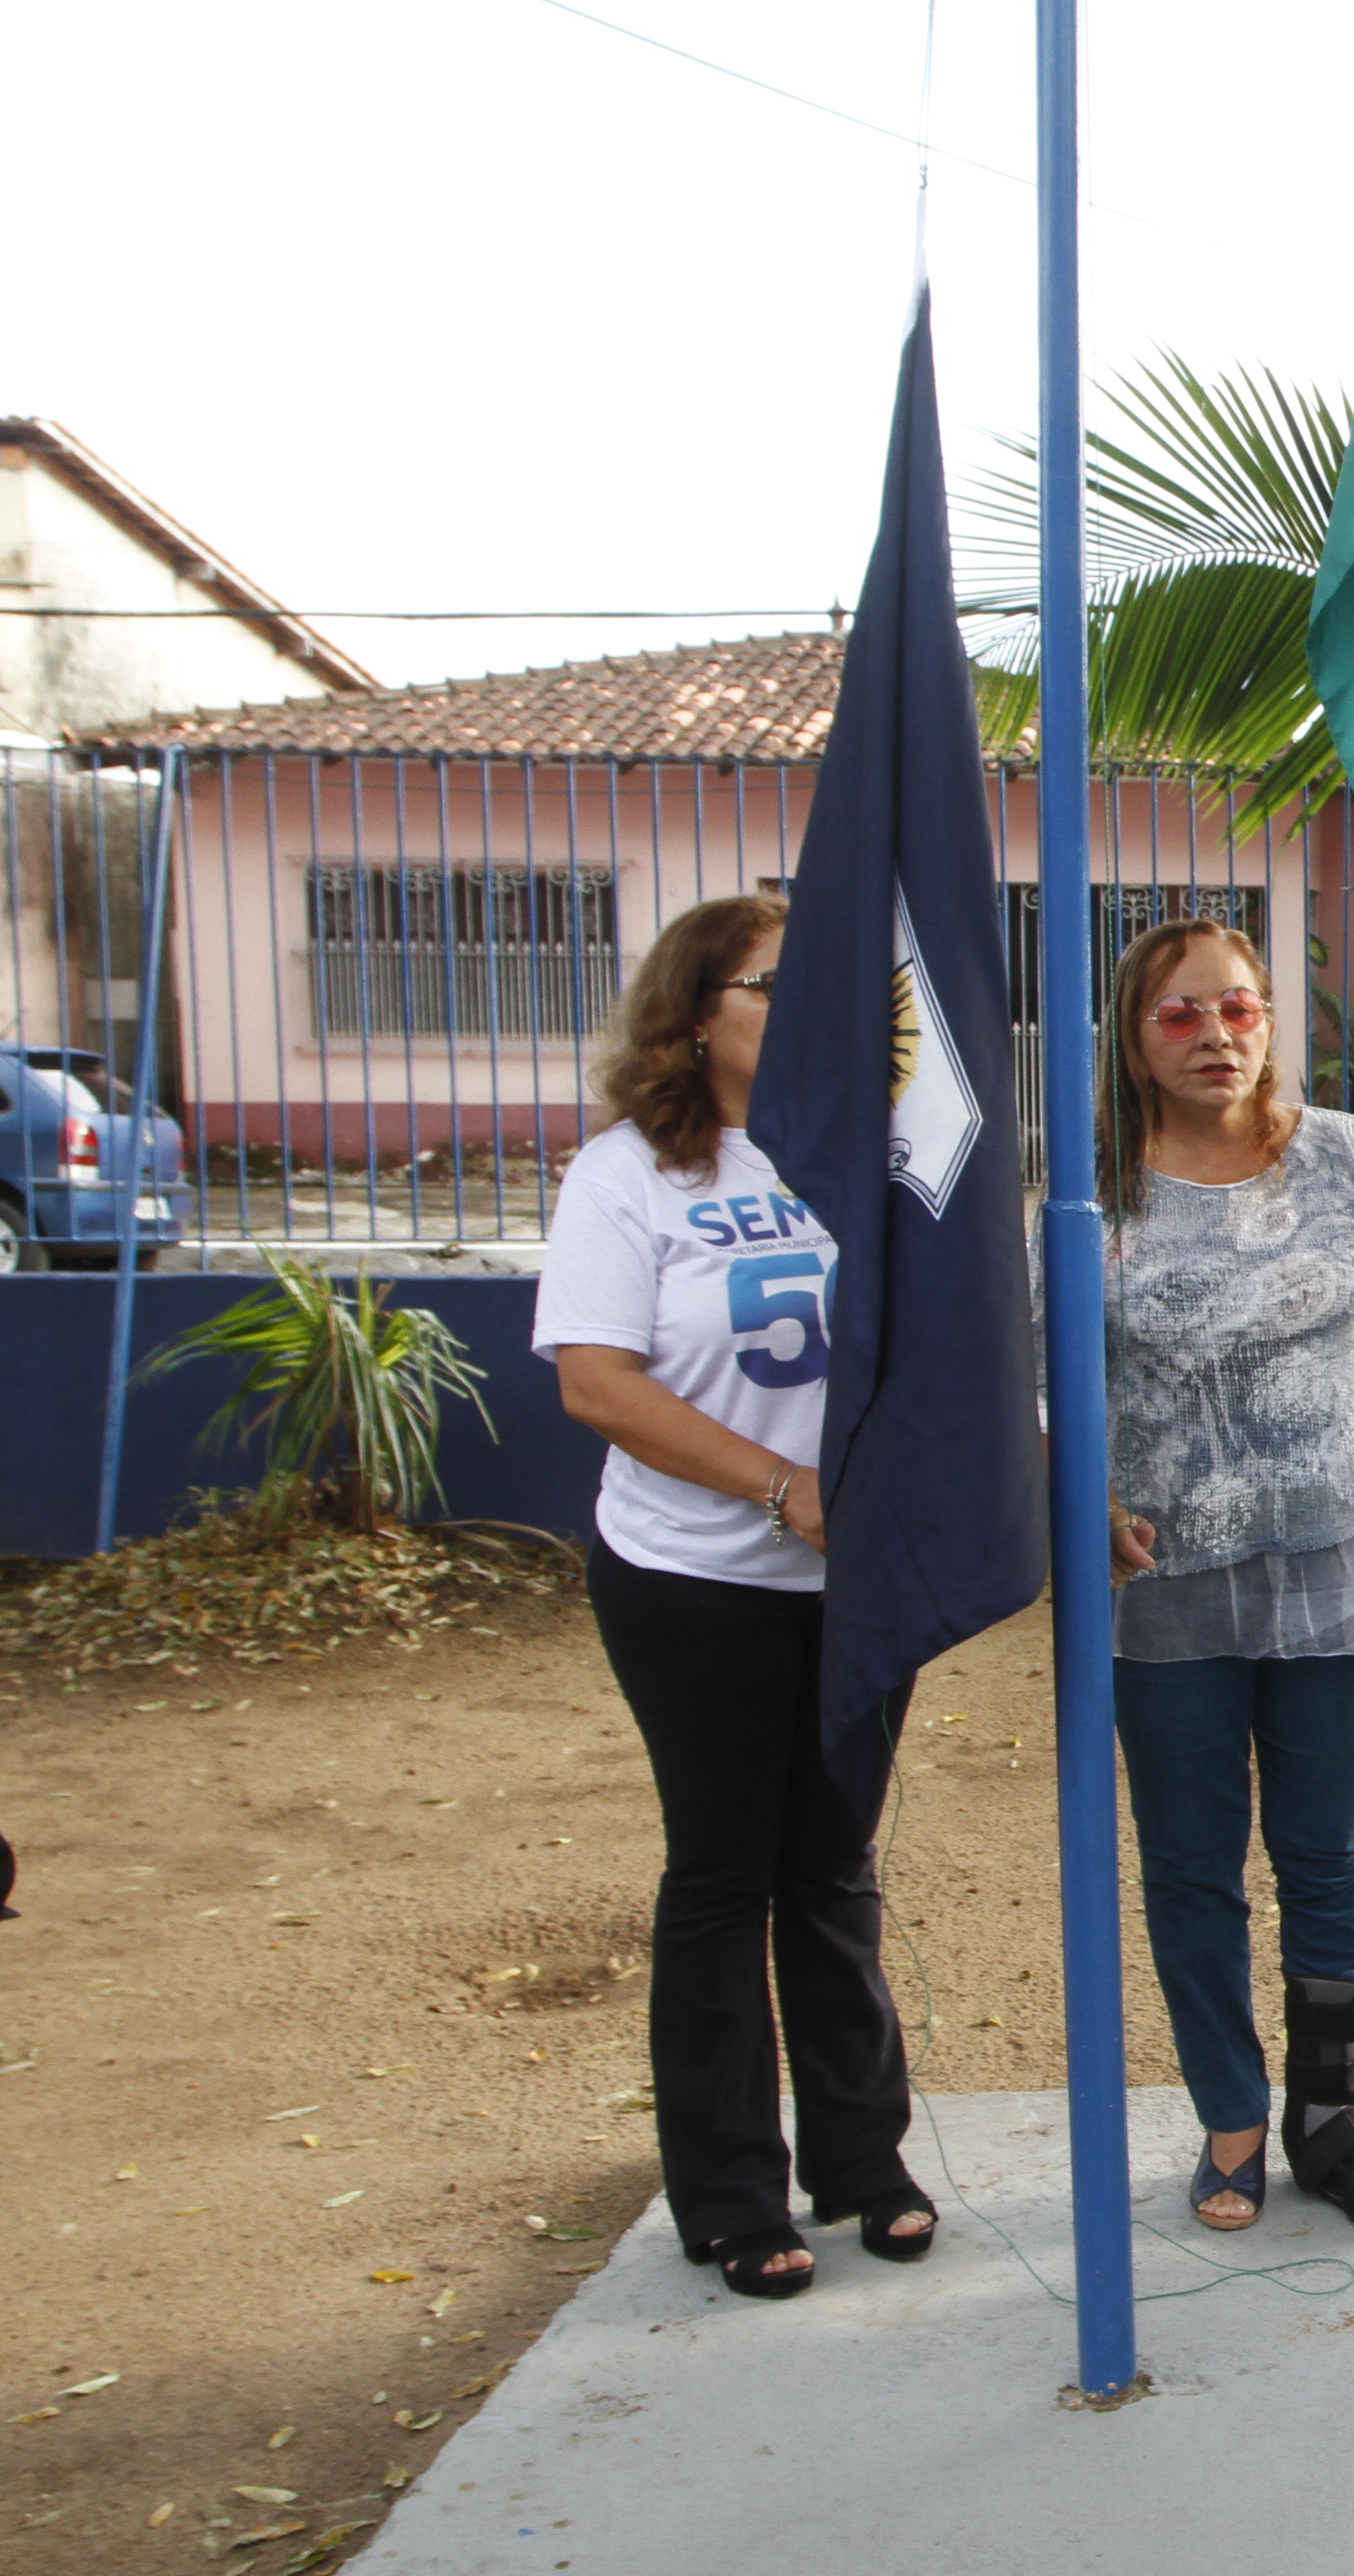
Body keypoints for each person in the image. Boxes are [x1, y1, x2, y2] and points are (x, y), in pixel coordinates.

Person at [537, 892, 935, 2299]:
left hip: (853, 1585)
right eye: (771, 986)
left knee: (832, 1868)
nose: (801, 1009)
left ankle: (864, 2164)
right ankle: (725, 2193)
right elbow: (598, 1382)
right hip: (695, 1581)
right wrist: (784, 1489)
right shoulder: (630, 1176)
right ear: (698, 1012)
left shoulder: (871, 1155)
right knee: (722, 1876)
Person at [1089, 917, 1354, 2234]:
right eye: (1181, 1015)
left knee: (1330, 1853)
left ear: (1270, 1023)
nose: (1216, 1037)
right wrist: (1084, 1495)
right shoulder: (1089, 1189)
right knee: (1191, 1865)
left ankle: (1333, 2108)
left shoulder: (1349, 1158)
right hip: (1164, 1589)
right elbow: (1047, 1388)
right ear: (1135, 1036)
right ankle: (1233, 2116)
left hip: (1337, 1570)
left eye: (1239, 1010)